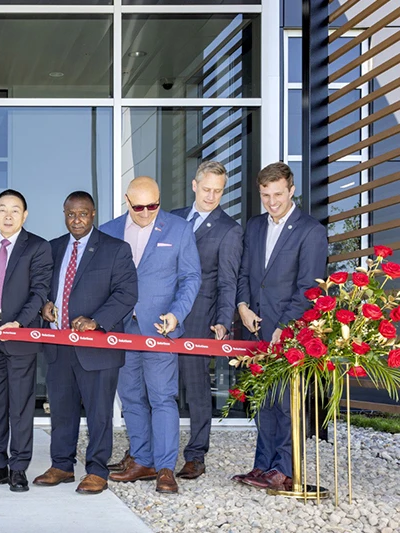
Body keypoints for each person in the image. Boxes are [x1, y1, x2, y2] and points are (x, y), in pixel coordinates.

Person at [32, 191, 138, 495]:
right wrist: (44, 305)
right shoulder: (52, 249)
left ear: (93, 214)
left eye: (82, 214)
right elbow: (41, 288)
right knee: (62, 410)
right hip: (59, 346)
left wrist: (97, 321)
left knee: (98, 413)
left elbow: (126, 293)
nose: (76, 220)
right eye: (70, 214)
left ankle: (96, 470)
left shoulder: (115, 249)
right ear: (64, 214)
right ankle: (62, 465)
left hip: (97, 348)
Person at [100, 176, 200, 494]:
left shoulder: (179, 228)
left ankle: (166, 467)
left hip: (160, 327)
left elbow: (190, 277)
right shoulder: (109, 230)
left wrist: (176, 313)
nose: (146, 212)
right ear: (127, 201)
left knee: (162, 397)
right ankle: (142, 460)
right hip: (121, 327)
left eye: (153, 205)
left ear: (160, 200)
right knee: (130, 397)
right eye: (139, 206)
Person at [232, 162, 327, 492]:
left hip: (290, 333)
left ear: (291, 190)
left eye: (277, 195)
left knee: (287, 404)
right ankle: (263, 466)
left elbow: (309, 289)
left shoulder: (311, 231)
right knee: (264, 401)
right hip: (254, 329)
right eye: (265, 195)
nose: (271, 202)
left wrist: (284, 328)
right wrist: (242, 306)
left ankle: (284, 470)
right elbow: (243, 274)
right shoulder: (255, 226)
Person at [0, 189, 53, 493]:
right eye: (2, 209)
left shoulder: (38, 247)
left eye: (15, 210)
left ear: (25, 215)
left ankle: (19, 467)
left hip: (20, 336)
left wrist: (20, 321)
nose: (8, 215)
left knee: (20, 404)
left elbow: (40, 291)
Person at [170, 161, 243, 480]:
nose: (212, 196)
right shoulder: (170, 218)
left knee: (197, 389)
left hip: (199, 319)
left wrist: (223, 321)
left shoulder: (229, 229)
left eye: (219, 190)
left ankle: (196, 455)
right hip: (161, 316)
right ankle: (149, 452)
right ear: (194, 185)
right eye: (208, 189)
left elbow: (228, 281)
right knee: (157, 387)